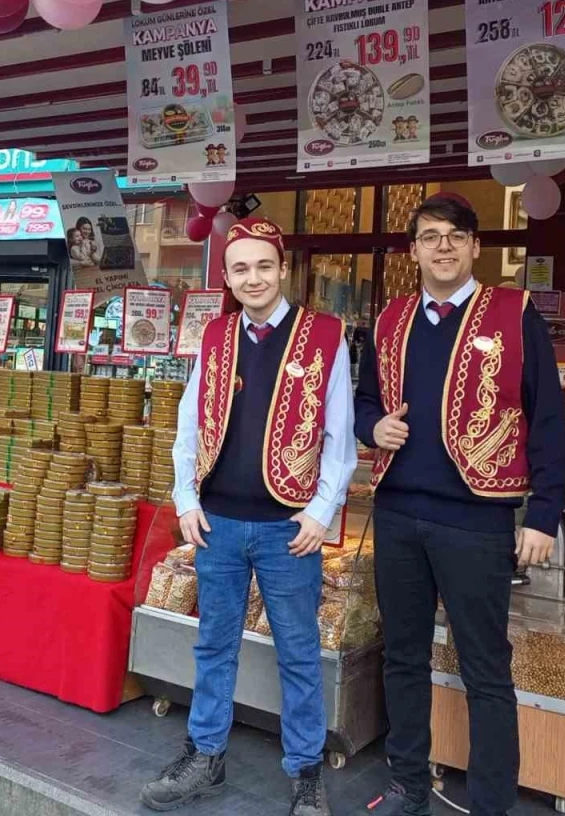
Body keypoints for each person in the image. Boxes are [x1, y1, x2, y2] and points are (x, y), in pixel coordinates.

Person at [354, 193, 565, 816]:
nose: (443, 246)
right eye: (430, 236)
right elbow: (365, 400)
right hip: (399, 514)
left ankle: (492, 802)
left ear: (476, 246)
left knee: (485, 667)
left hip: (477, 519)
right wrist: (374, 428)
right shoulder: (391, 319)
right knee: (402, 656)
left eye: (455, 235)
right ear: (414, 250)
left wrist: (544, 513)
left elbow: (547, 417)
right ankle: (408, 785)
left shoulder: (513, 312)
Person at [140, 217, 358, 816]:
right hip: (219, 523)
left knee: (298, 651)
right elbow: (190, 424)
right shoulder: (215, 335)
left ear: (282, 269)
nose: (253, 277)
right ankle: (205, 755)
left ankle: (306, 771)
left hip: (289, 527)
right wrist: (187, 499)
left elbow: (339, 434)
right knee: (214, 645)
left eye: (264, 265)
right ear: (228, 277)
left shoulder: (324, 335)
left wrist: (322, 510)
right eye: (240, 268)